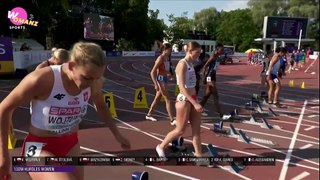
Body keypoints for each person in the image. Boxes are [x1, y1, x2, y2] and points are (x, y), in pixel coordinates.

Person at [0, 42, 130, 180]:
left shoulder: (93, 81)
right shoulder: (42, 79)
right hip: (38, 148)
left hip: (70, 145)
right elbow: (4, 108)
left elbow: (101, 106)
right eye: (87, 78)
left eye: (97, 78)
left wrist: (117, 134)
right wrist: (3, 154)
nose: (92, 84)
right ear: (71, 66)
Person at [156, 41, 203, 158]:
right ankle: (161, 146)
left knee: (196, 130)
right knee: (180, 130)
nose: (199, 55)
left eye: (200, 52)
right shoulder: (182, 64)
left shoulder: (191, 64)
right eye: (197, 52)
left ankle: (199, 155)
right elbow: (181, 87)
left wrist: (195, 100)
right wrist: (194, 103)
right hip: (184, 100)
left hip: (193, 99)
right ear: (189, 51)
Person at [146, 43, 175, 125]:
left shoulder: (167, 58)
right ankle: (172, 119)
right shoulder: (160, 58)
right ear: (164, 50)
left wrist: (168, 74)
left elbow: (165, 69)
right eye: (169, 50)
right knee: (168, 99)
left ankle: (149, 114)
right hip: (160, 80)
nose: (170, 51)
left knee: (157, 98)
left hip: (165, 79)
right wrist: (155, 84)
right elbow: (152, 72)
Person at [199, 44, 227, 119]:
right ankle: (221, 115)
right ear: (217, 49)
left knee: (206, 96)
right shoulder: (213, 57)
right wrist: (203, 77)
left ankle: (196, 110)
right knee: (215, 95)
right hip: (209, 77)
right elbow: (205, 67)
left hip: (213, 77)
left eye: (223, 49)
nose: (222, 51)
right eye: (221, 49)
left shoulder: (218, 57)